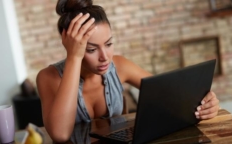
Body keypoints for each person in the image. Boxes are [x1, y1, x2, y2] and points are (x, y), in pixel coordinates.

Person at [36, 0, 220, 142]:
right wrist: (74, 57)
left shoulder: (120, 65)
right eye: (91, 49)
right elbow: (60, 135)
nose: (104, 57)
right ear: (70, 44)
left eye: (108, 44)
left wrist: (206, 103)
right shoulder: (48, 77)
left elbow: (170, 95)